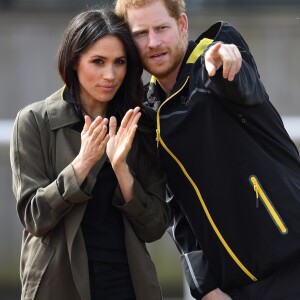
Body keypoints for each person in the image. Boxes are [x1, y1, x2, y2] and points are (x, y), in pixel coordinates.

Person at [114, 0, 300, 299]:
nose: (154, 42)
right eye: (141, 33)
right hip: (232, 288)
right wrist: (206, 288)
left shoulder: (213, 61)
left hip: (290, 262)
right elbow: (177, 208)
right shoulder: (149, 112)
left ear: (182, 24)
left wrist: (227, 60)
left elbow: (242, 84)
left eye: (161, 28)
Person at [10, 8, 171, 300]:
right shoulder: (34, 121)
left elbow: (155, 227)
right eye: (98, 61)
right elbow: (35, 218)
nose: (110, 75)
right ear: (74, 62)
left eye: (119, 62)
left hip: (126, 285)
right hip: (58, 286)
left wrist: (122, 169)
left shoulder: (140, 123)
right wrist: (82, 165)